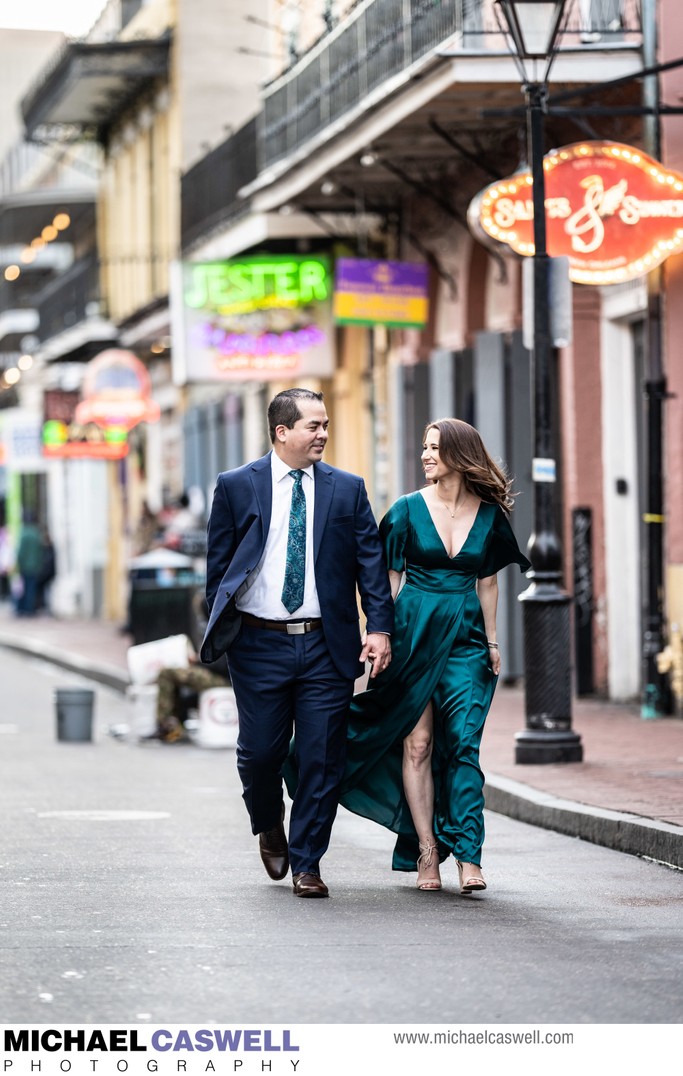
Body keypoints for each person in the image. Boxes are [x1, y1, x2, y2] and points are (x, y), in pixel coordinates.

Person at [201, 387, 394, 898]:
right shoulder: (236, 486)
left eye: (326, 425)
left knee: (320, 757)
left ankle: (308, 862)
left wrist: (378, 628)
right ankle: (268, 822)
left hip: (325, 644)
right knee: (260, 754)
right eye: (314, 426)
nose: (324, 434)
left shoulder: (348, 490)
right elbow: (218, 567)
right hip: (258, 644)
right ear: (282, 431)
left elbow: (369, 565)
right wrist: (221, 624)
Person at [339, 418, 530, 894]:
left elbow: (488, 582)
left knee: (464, 742)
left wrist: (491, 641)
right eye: (424, 447)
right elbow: (387, 583)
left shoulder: (488, 515)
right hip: (412, 634)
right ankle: (427, 850)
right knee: (418, 744)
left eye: (435, 448)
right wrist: (378, 634)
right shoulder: (405, 511)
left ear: (459, 456)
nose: (425, 455)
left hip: (465, 638)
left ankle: (469, 853)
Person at [15, 513, 43, 617]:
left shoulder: (24, 533)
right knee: (32, 588)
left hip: (25, 566)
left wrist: (18, 563)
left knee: (24, 588)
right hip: (35, 566)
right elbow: (41, 551)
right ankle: (30, 609)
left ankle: (25, 609)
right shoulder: (36, 533)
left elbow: (21, 552)